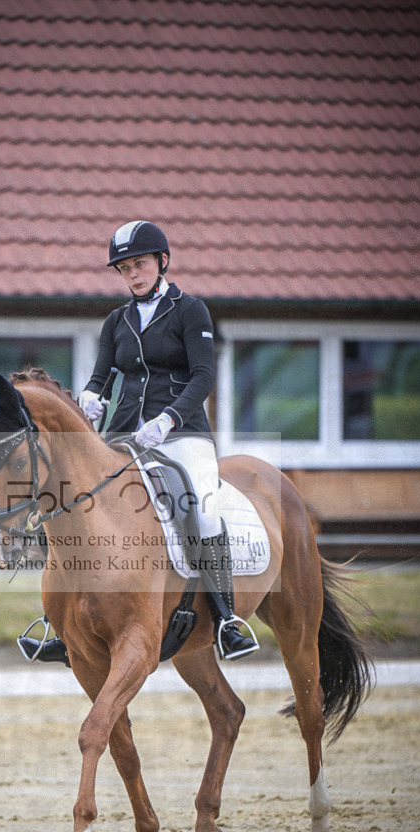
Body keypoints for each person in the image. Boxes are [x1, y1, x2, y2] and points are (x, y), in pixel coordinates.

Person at [21, 220, 258, 665]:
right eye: (125, 268)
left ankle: (227, 619)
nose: (132, 274)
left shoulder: (191, 311)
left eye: (140, 264)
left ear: (161, 262)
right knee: (73, 503)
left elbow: (204, 375)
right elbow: (102, 375)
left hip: (183, 435)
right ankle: (58, 622)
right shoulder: (117, 320)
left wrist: (169, 419)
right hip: (124, 434)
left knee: (202, 508)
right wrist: (91, 398)